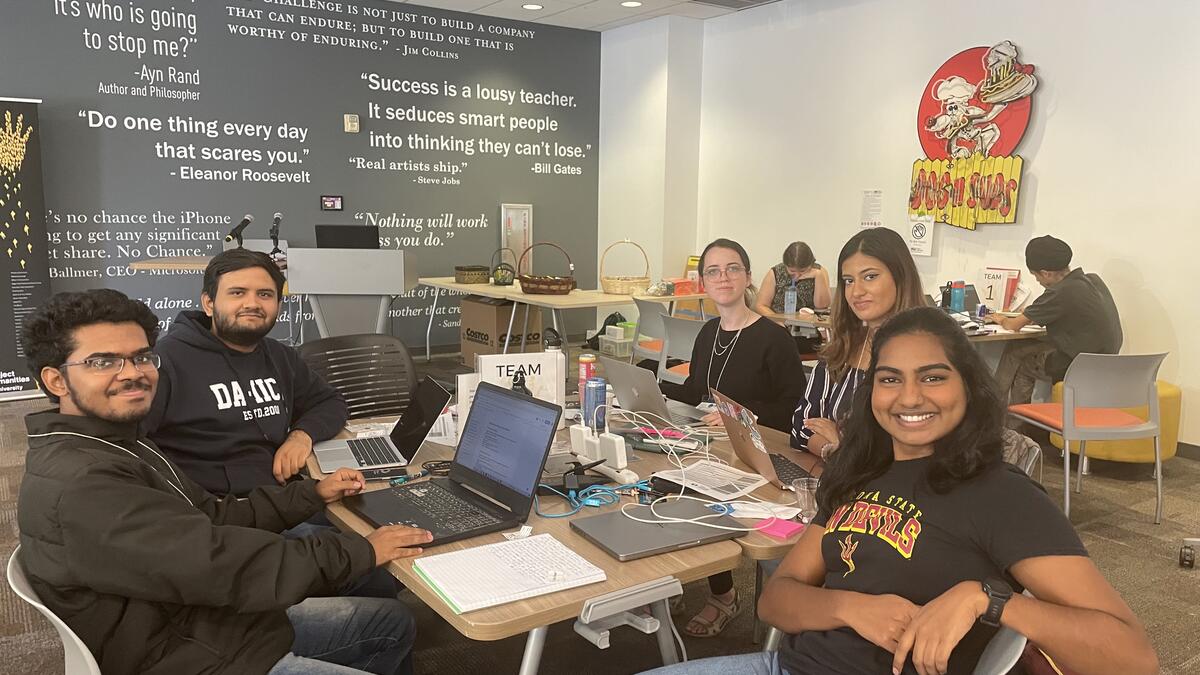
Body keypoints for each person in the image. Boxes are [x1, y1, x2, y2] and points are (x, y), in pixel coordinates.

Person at [642, 307, 1158, 675]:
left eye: (932, 377)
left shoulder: (1002, 495)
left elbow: (1132, 657)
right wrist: (849, 609)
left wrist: (989, 600)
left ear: (966, 387)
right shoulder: (860, 472)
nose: (909, 397)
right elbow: (777, 599)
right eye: (890, 380)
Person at [17, 289, 431, 675]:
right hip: (186, 655)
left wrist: (311, 492)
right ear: (56, 381)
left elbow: (213, 516)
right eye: (103, 362)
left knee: (391, 620)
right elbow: (221, 564)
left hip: (196, 620)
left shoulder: (115, 441)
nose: (133, 373)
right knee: (366, 583)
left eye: (142, 357)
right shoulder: (84, 481)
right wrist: (356, 552)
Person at [667, 238, 807, 638]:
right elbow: (695, 391)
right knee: (658, 483)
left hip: (758, 450)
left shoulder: (773, 338)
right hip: (712, 444)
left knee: (702, 498)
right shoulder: (708, 332)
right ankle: (672, 579)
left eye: (732, 269)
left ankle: (724, 596)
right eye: (713, 271)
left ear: (747, 276)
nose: (723, 277)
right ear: (703, 281)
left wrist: (737, 415)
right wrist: (655, 393)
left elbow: (794, 406)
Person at [142, 248, 347, 497]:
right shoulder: (164, 362)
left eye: (265, 294)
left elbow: (329, 402)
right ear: (209, 303)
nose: (252, 304)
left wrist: (301, 436)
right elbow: (129, 447)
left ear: (278, 305)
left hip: (287, 498)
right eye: (237, 293)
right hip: (218, 515)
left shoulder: (280, 355)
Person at [791, 227, 925, 460]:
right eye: (849, 281)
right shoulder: (843, 347)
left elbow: (909, 448)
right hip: (835, 479)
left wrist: (843, 442)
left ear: (900, 277)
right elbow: (801, 427)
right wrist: (831, 450)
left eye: (870, 276)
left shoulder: (928, 353)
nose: (856, 291)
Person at [986, 235, 1122, 405]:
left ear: (1046, 273)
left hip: (1077, 368)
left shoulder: (1060, 292)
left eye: (1037, 277)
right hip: (1107, 363)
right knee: (1022, 349)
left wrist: (1000, 319)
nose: (1039, 282)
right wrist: (1034, 315)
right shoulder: (1093, 280)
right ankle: (1018, 424)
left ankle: (996, 411)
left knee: (1016, 355)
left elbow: (1013, 326)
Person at [753, 241, 832, 316]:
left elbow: (822, 306)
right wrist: (779, 322)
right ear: (785, 265)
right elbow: (761, 305)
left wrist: (819, 276)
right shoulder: (775, 273)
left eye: (802, 271)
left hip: (808, 325)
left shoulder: (819, 271)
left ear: (811, 265)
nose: (797, 275)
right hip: (778, 322)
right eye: (792, 271)